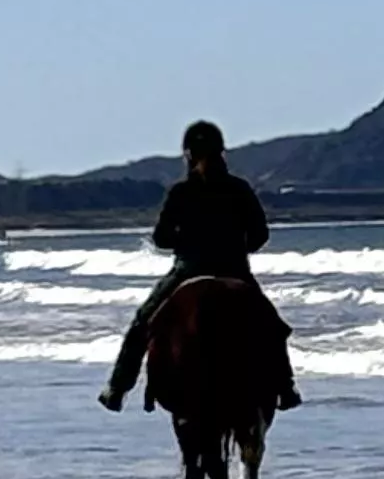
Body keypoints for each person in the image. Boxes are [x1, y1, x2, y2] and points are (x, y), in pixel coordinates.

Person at [101, 121, 299, 414]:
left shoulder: (181, 191)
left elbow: (161, 237)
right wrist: (236, 249)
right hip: (234, 269)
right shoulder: (239, 188)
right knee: (272, 326)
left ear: (188, 155)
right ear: (222, 153)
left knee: (143, 322)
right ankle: (286, 387)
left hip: (188, 270)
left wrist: (183, 241)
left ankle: (117, 388)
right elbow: (260, 235)